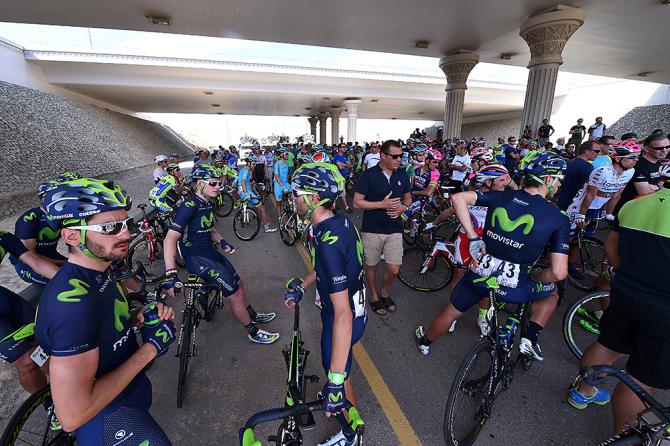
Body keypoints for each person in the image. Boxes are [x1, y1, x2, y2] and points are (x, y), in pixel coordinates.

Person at [35, 178, 176, 444]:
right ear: (72, 236)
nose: (126, 234)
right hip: (103, 418)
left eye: (127, 224)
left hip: (128, 394)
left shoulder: (101, 269)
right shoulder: (73, 306)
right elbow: (72, 416)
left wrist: (139, 318)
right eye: (111, 227)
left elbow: (103, 325)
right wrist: (151, 348)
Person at [416, 152, 569, 361]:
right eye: (559, 180)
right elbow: (559, 272)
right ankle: (529, 338)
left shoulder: (501, 196)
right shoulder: (558, 217)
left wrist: (472, 237)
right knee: (551, 294)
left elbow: (458, 198)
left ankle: (425, 342)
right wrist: (538, 276)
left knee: (451, 312)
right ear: (548, 179)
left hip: (481, 272)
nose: (559, 185)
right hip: (516, 285)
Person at [567, 188, 670, 435]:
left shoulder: (637, 203)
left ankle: (584, 391)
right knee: (642, 378)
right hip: (664, 307)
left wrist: (629, 276)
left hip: (626, 291)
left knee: (607, 346)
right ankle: (622, 438)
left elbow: (611, 248)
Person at [283, 162, 367, 446]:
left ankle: (351, 433)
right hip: (349, 309)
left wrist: (334, 380)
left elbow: (343, 312)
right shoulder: (335, 222)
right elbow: (326, 269)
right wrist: (303, 286)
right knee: (336, 367)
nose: (291, 197)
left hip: (344, 316)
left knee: (339, 375)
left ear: (313, 198)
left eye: (297, 192)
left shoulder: (327, 239)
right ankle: (341, 397)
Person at [162, 164, 279, 344]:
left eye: (219, 184)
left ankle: (252, 315)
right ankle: (253, 332)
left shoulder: (207, 202)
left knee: (240, 283)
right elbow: (170, 238)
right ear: (200, 183)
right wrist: (170, 273)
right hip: (196, 258)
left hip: (209, 252)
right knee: (235, 293)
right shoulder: (189, 205)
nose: (218, 187)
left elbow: (209, 228)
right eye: (213, 184)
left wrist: (222, 241)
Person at [353, 140, 411, 316]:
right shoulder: (368, 175)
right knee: (372, 266)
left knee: (394, 268)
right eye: (395, 156)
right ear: (383, 156)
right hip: (372, 229)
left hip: (395, 229)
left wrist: (404, 208)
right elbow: (356, 203)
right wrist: (382, 204)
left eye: (401, 156)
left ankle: (384, 291)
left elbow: (408, 198)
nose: (399, 159)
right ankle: (373, 295)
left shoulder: (402, 174)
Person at [566, 143, 639, 277]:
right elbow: (590, 195)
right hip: (580, 206)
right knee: (568, 236)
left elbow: (616, 195)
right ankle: (550, 258)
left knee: (586, 235)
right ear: (618, 159)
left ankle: (571, 262)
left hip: (596, 208)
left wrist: (608, 213)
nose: (636, 160)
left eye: (637, 157)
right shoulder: (602, 171)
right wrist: (581, 215)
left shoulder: (630, 172)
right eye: (632, 157)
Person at [0, 230, 58, 395]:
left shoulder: (2, 236)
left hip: (5, 301)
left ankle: (62, 393)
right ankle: (48, 405)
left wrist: (68, 279)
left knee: (45, 344)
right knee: (27, 362)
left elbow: (35, 263)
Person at [10, 182, 67, 285]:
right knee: (63, 282)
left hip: (50, 255)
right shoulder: (30, 219)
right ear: (44, 199)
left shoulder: (61, 215)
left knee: (81, 271)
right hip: (27, 263)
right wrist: (61, 262)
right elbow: (29, 257)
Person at [614, 133, 669, 214]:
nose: (664, 150)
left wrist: (654, 187)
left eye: (667, 147)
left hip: (647, 209)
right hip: (630, 211)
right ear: (646, 149)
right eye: (659, 148)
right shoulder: (638, 164)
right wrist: (659, 186)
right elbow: (644, 191)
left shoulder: (660, 163)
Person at [237, 155, 278, 233]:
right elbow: (243, 183)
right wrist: (247, 194)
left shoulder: (245, 169)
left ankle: (262, 220)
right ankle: (266, 228)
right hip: (246, 192)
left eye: (255, 163)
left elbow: (248, 182)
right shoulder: (246, 170)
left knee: (258, 207)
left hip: (246, 191)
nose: (255, 165)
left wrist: (255, 185)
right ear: (248, 163)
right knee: (263, 208)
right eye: (253, 163)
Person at [556, 140, 599, 211]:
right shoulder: (587, 166)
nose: (598, 154)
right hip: (574, 204)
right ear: (587, 151)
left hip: (561, 200)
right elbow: (589, 190)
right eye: (596, 151)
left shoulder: (570, 161)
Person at [273, 147, 292, 219]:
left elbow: (287, 174)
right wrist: (283, 187)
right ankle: (279, 218)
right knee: (279, 202)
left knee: (294, 192)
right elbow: (277, 177)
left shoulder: (286, 163)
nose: (288, 155)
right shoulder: (277, 164)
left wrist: (287, 182)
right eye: (286, 154)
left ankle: (290, 206)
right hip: (278, 184)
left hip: (285, 182)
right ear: (281, 155)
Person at [333, 145, 352, 212]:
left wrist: (343, 164)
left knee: (339, 192)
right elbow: (340, 167)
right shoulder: (336, 157)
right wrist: (345, 165)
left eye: (345, 147)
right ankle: (346, 207)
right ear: (340, 149)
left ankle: (334, 206)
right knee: (341, 192)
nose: (345, 148)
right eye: (343, 147)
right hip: (338, 178)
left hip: (344, 178)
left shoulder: (345, 157)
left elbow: (350, 166)